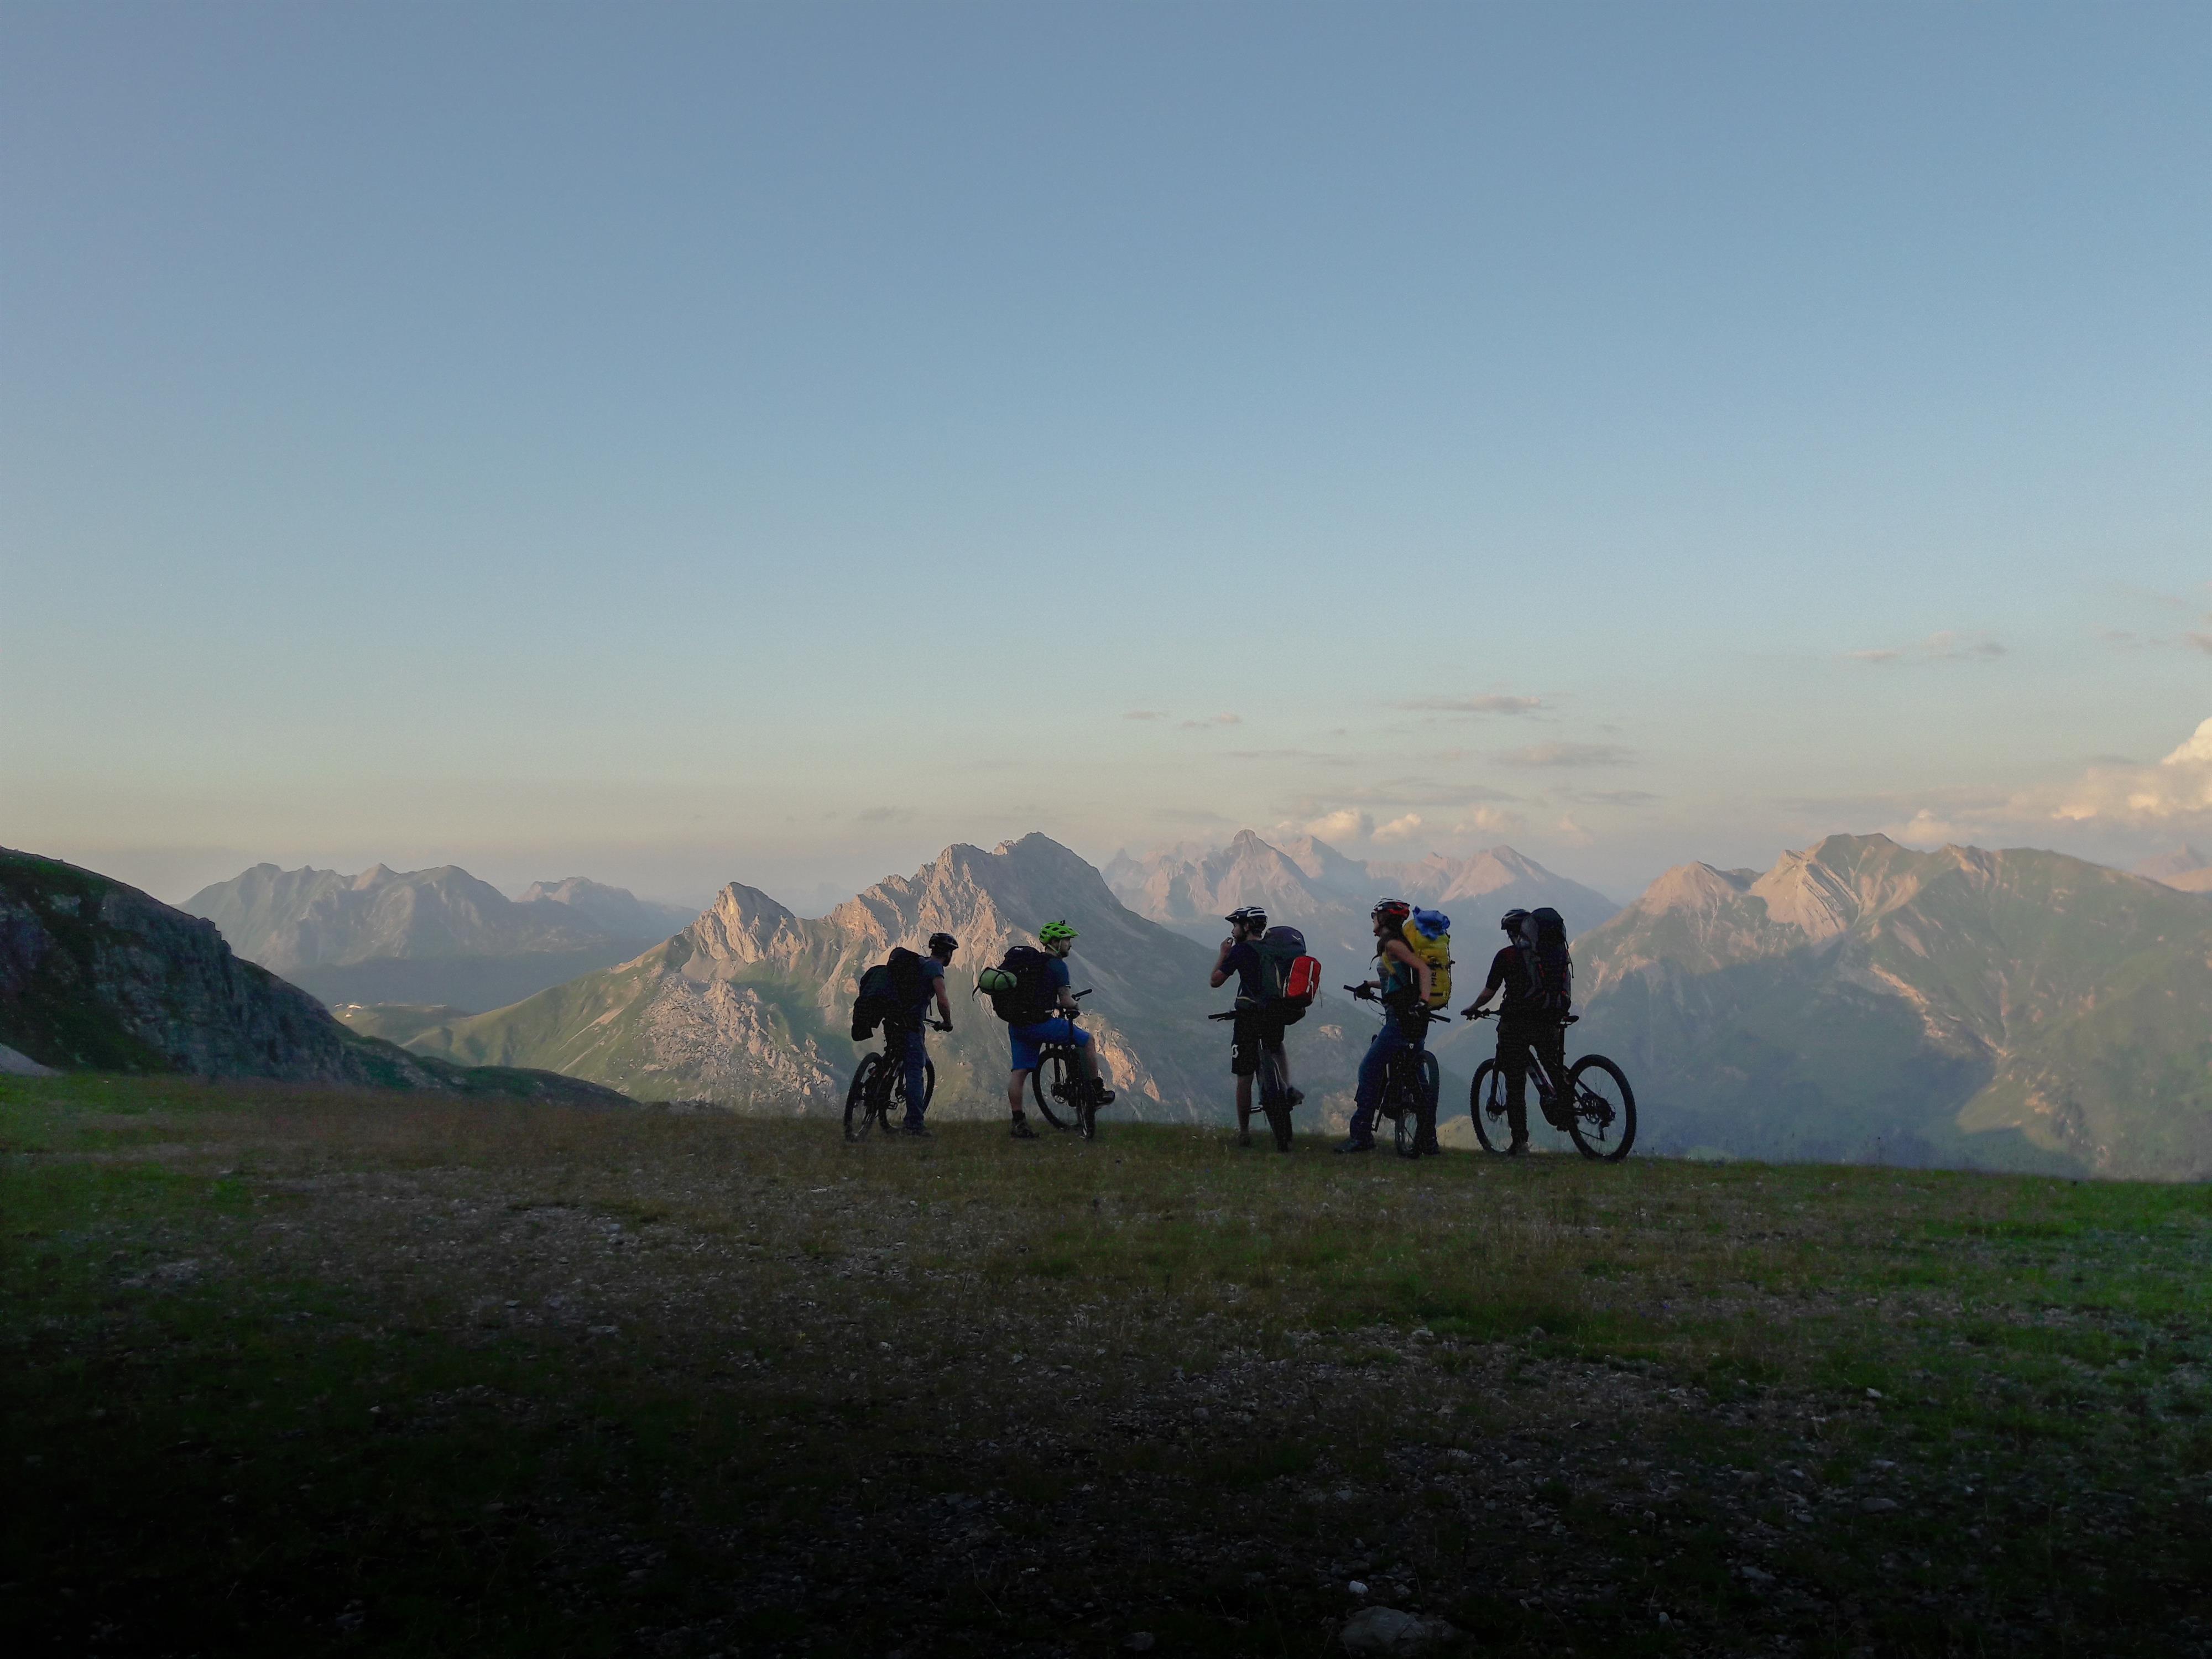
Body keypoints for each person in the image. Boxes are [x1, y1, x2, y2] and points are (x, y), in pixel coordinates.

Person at [1462, 908, 1564, 1157]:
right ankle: (1568, 1107)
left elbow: (1490, 992)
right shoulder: (1554, 953)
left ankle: (1520, 1143)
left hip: (1516, 1024)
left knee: (1515, 1084)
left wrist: (1473, 1008)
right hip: (1550, 1018)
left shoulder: (1507, 955)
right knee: (1553, 1066)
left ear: (1511, 932)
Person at [1337, 899, 1433, 1154]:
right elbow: (1399, 980)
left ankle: (1361, 1136)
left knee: (1369, 1069)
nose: (1373, 920)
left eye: (1374, 916)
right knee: (1419, 1081)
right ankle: (1429, 1140)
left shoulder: (1392, 944)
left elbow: (1423, 970)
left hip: (1400, 1019)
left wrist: (1424, 1001)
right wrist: (1370, 985)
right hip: (1414, 1019)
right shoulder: (1399, 943)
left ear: (1383, 919)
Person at [1005, 920, 1113, 1140]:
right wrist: (1075, 1006)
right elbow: (1065, 999)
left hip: (1018, 1025)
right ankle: (1097, 1091)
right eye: (1067, 940)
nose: (1070, 944)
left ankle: (1018, 1122)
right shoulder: (1057, 966)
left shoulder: (1031, 963)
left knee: (1020, 1072)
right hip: (1042, 1025)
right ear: (1055, 943)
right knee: (1088, 1040)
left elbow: (1037, 995)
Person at [1210, 906, 1302, 1148]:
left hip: (1248, 1018)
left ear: (1247, 926)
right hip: (1275, 1014)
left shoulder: (1240, 950)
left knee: (1244, 1077)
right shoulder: (1273, 948)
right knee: (1276, 1046)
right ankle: (1287, 1087)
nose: (1233, 930)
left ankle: (1244, 1132)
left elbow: (1215, 981)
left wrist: (1223, 954)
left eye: (1235, 925)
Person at [886, 932, 957, 1137]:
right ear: (948, 954)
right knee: (915, 1072)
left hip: (892, 1019)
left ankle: (876, 1082)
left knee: (891, 1056)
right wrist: (947, 1022)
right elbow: (942, 1000)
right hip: (911, 1024)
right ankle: (914, 1125)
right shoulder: (935, 968)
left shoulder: (918, 963)